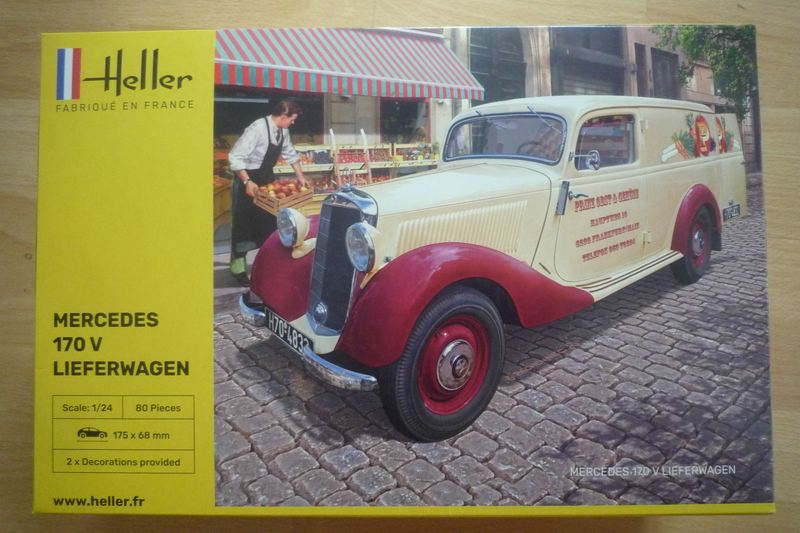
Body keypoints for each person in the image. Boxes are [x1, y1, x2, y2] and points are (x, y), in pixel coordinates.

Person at [227, 100, 308, 285]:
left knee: (268, 223)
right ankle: (237, 267)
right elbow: (235, 156)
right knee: (243, 225)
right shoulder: (257, 128)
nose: (293, 123)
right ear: (283, 116)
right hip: (247, 179)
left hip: (266, 180)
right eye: (292, 119)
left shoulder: (283, 131)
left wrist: (300, 176)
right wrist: (247, 182)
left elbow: (290, 153)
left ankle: (268, 264)